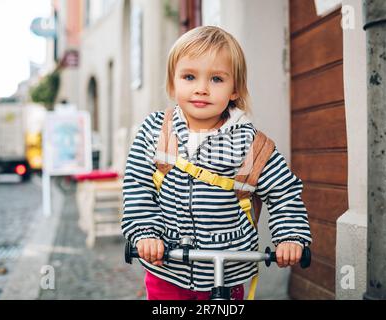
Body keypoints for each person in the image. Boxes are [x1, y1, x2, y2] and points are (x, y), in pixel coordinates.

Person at [121, 26, 312, 300]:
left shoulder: (251, 144)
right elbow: (137, 186)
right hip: (167, 267)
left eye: (216, 79)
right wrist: (145, 233)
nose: (201, 89)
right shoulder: (155, 132)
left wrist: (291, 237)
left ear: (235, 90)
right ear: (173, 84)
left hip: (226, 269)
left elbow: (284, 193)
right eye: (189, 77)